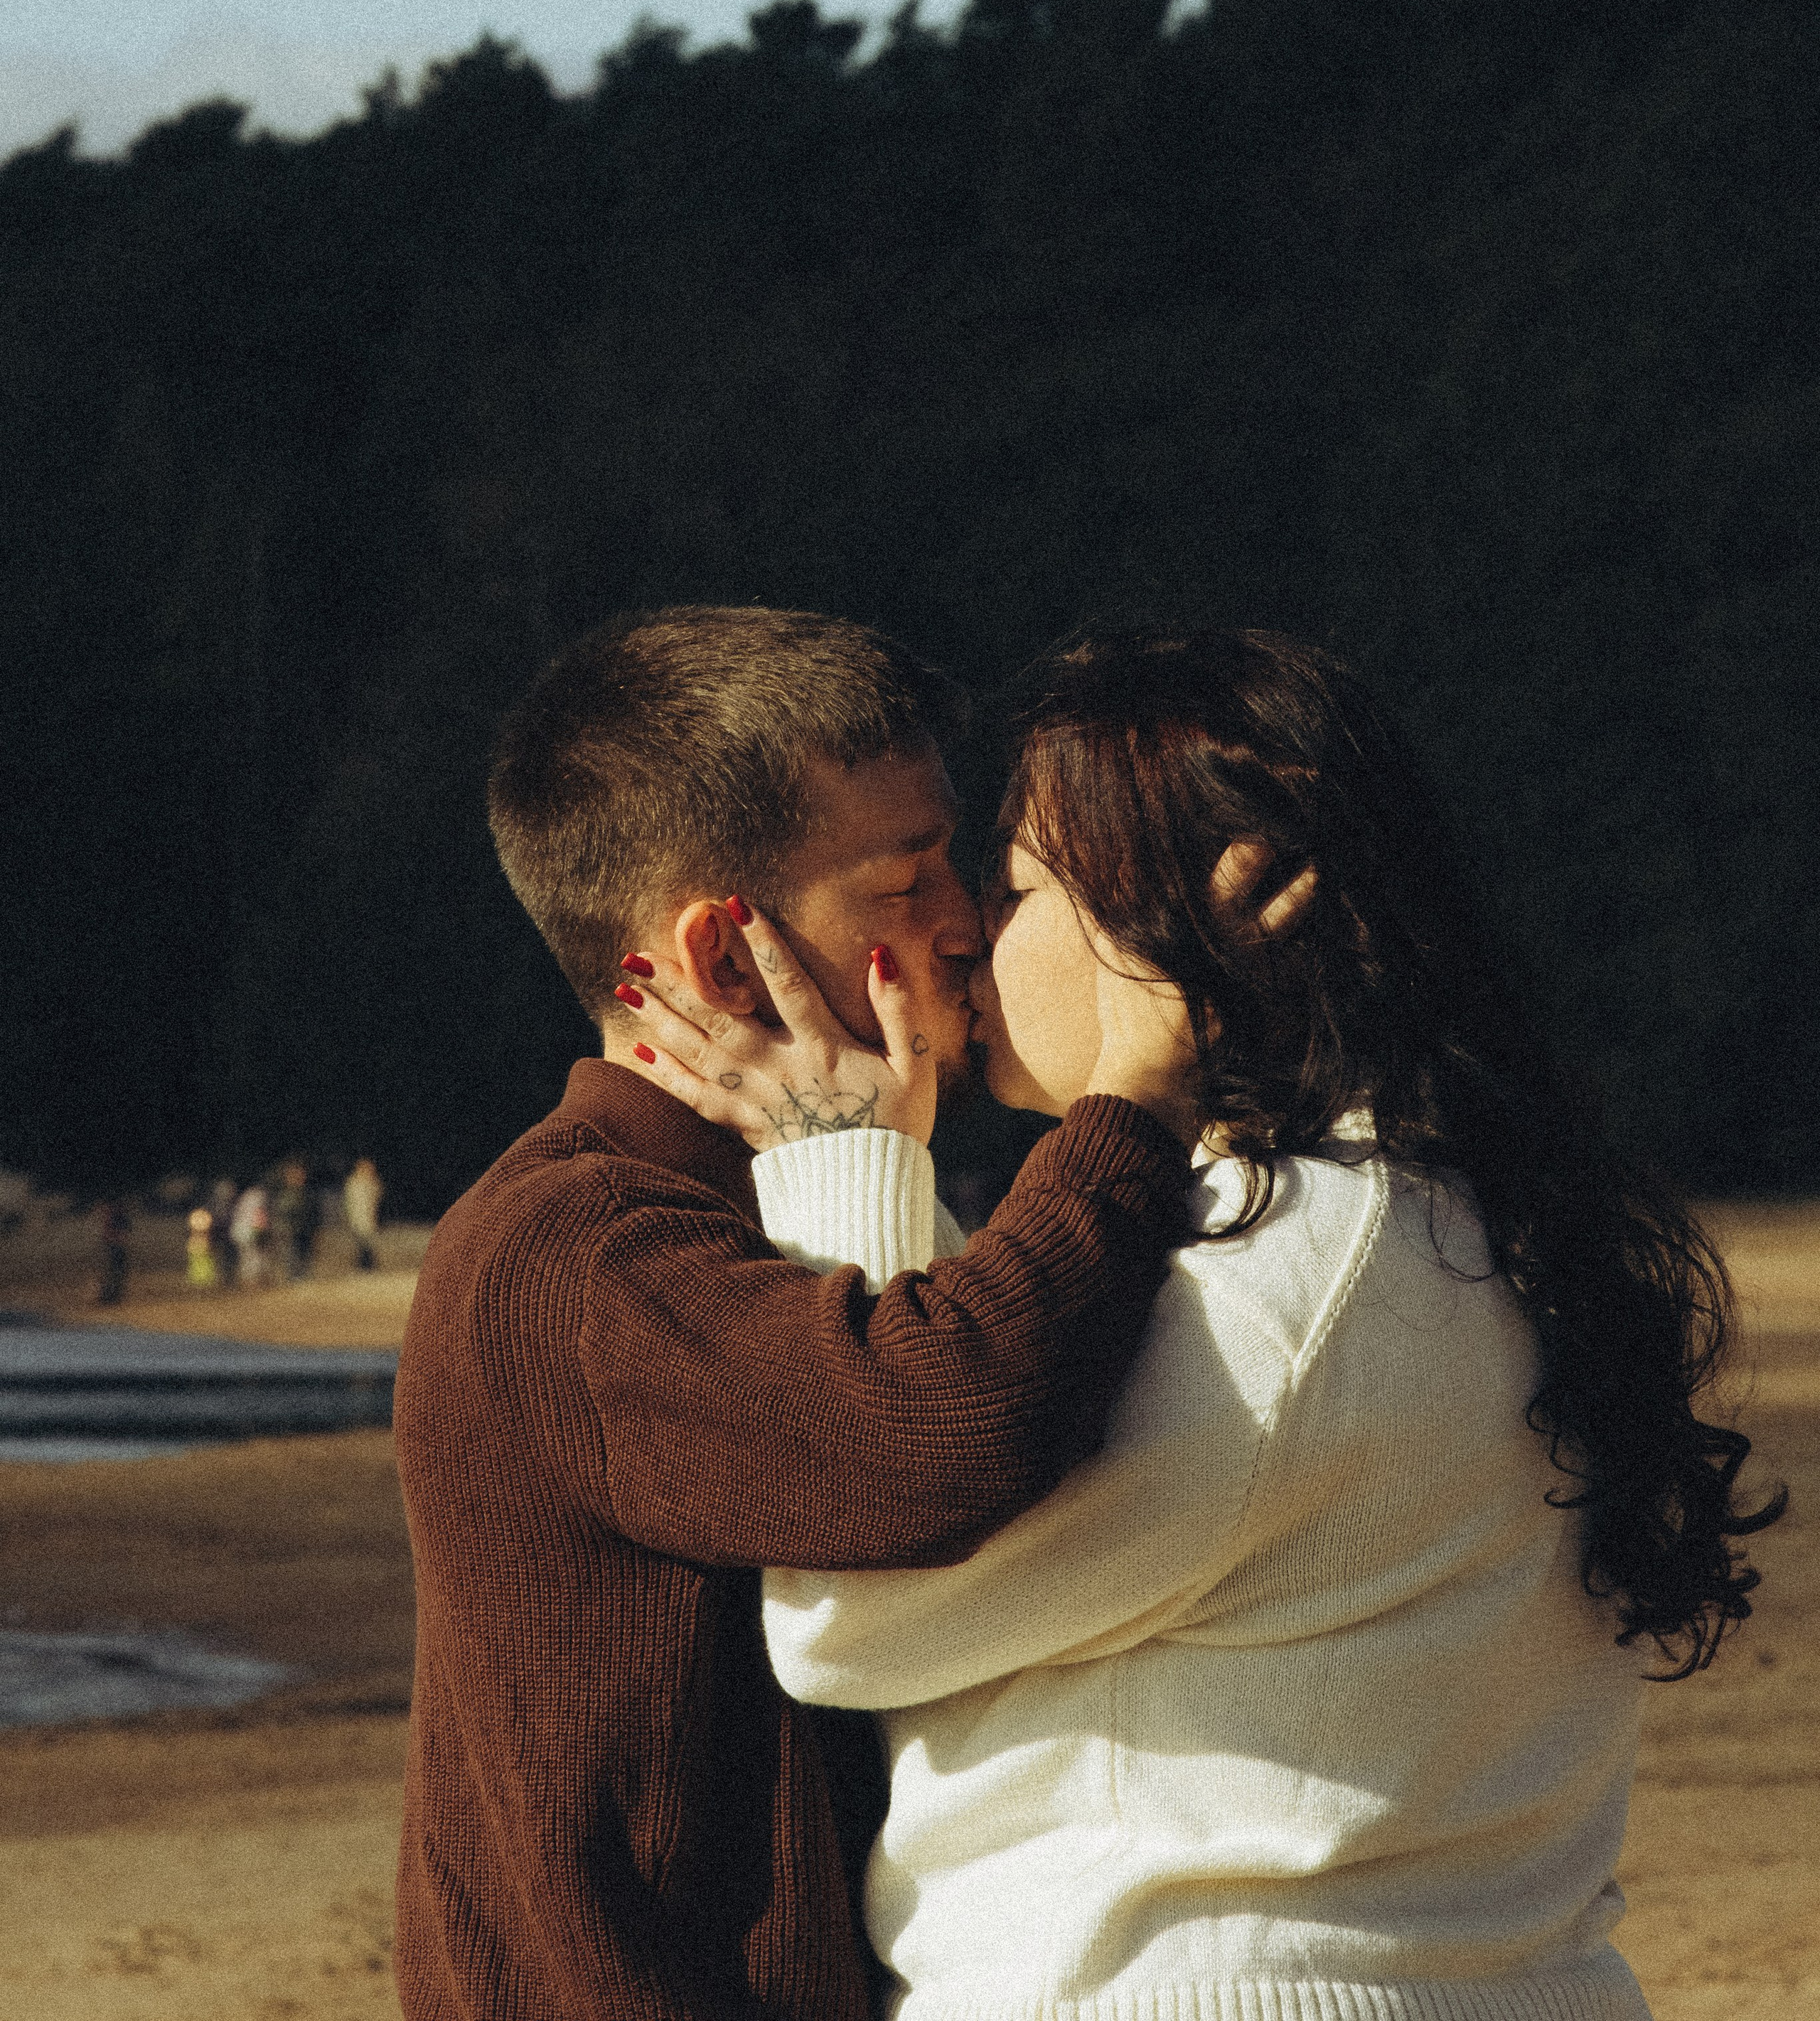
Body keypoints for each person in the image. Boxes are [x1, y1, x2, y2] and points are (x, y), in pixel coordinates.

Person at [633, 626, 1784, 2021]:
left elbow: (853, 1608)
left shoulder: (1284, 1276)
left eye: (1013, 890)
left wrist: (842, 1171)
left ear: (1165, 925)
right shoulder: (1432, 1219)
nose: (969, 942)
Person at [392, 606, 1196, 2021]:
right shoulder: (575, 1245)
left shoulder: (759, 1207)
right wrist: (1135, 1097)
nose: (970, 924)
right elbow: (938, 1434)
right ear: (720, 957)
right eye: (908, 877)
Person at [343, 1154, 383, 1270]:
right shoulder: (353, 1183)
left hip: (369, 1216)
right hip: (357, 1216)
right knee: (361, 1242)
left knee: (368, 1242)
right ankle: (364, 1265)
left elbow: (377, 1197)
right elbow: (349, 1202)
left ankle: (368, 1265)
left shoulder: (372, 1183)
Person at [228, 1179, 270, 1287]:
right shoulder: (258, 1195)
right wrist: (262, 1230)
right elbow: (259, 1213)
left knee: (246, 1257)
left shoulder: (245, 1195)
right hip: (250, 1230)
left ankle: (247, 1281)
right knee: (255, 1257)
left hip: (238, 1230)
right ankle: (252, 1282)